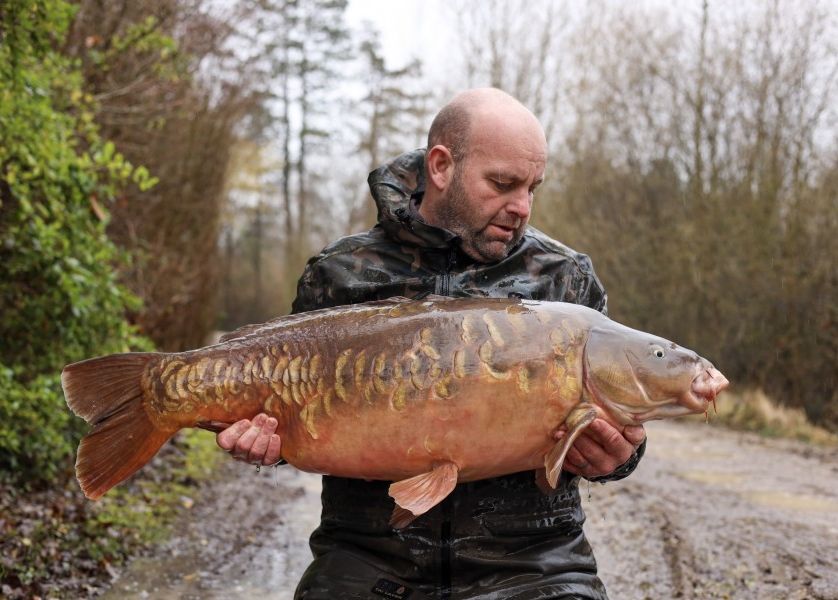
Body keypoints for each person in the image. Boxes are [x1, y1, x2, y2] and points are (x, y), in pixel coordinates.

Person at [217, 88, 647, 600]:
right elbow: (305, 418)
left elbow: (624, 417)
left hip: (535, 565)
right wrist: (268, 442)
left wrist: (618, 457)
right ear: (441, 166)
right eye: (504, 184)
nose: (522, 208)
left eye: (533, 188)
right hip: (368, 556)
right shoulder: (340, 274)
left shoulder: (564, 280)